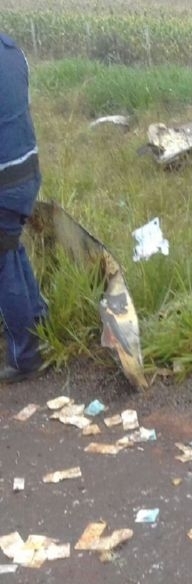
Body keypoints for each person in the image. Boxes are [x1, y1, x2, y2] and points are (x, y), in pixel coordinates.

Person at [0, 32, 48, 384]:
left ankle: (24, 356)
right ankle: (40, 325)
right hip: (27, 171)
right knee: (10, 248)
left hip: (3, 180)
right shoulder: (13, 50)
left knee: (3, 265)